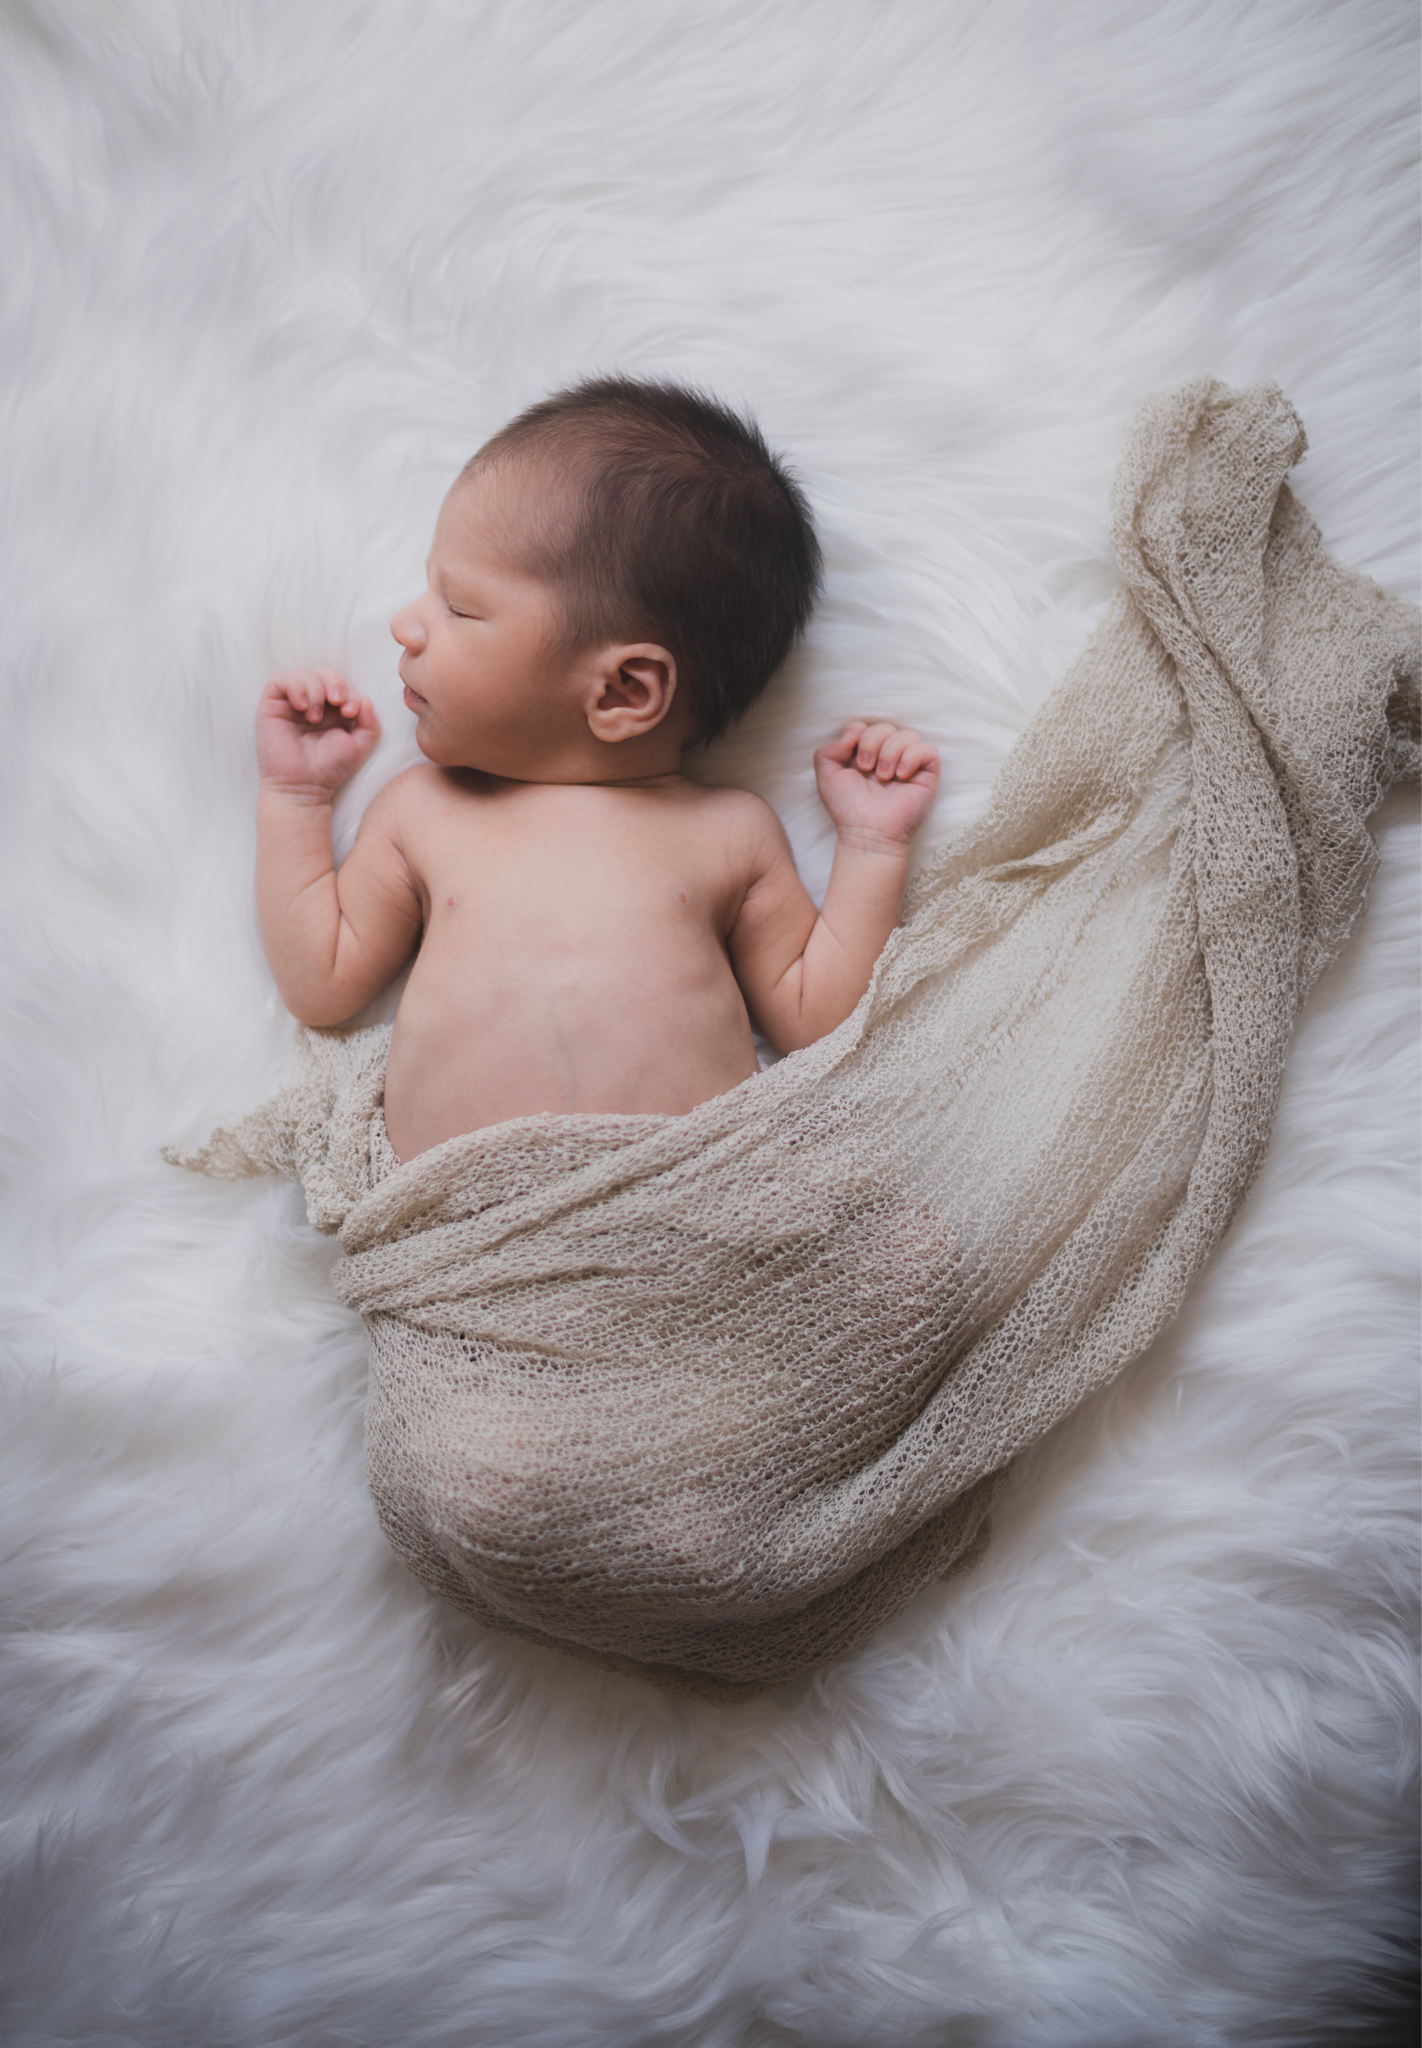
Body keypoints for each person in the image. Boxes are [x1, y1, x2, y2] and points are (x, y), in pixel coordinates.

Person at [253, 377, 940, 1164]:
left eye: (460, 607)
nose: (405, 624)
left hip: (682, 1214)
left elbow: (817, 1022)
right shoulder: (424, 811)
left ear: (622, 690)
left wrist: (873, 847)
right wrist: (296, 796)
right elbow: (322, 984)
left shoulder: (727, 832)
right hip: (468, 1233)